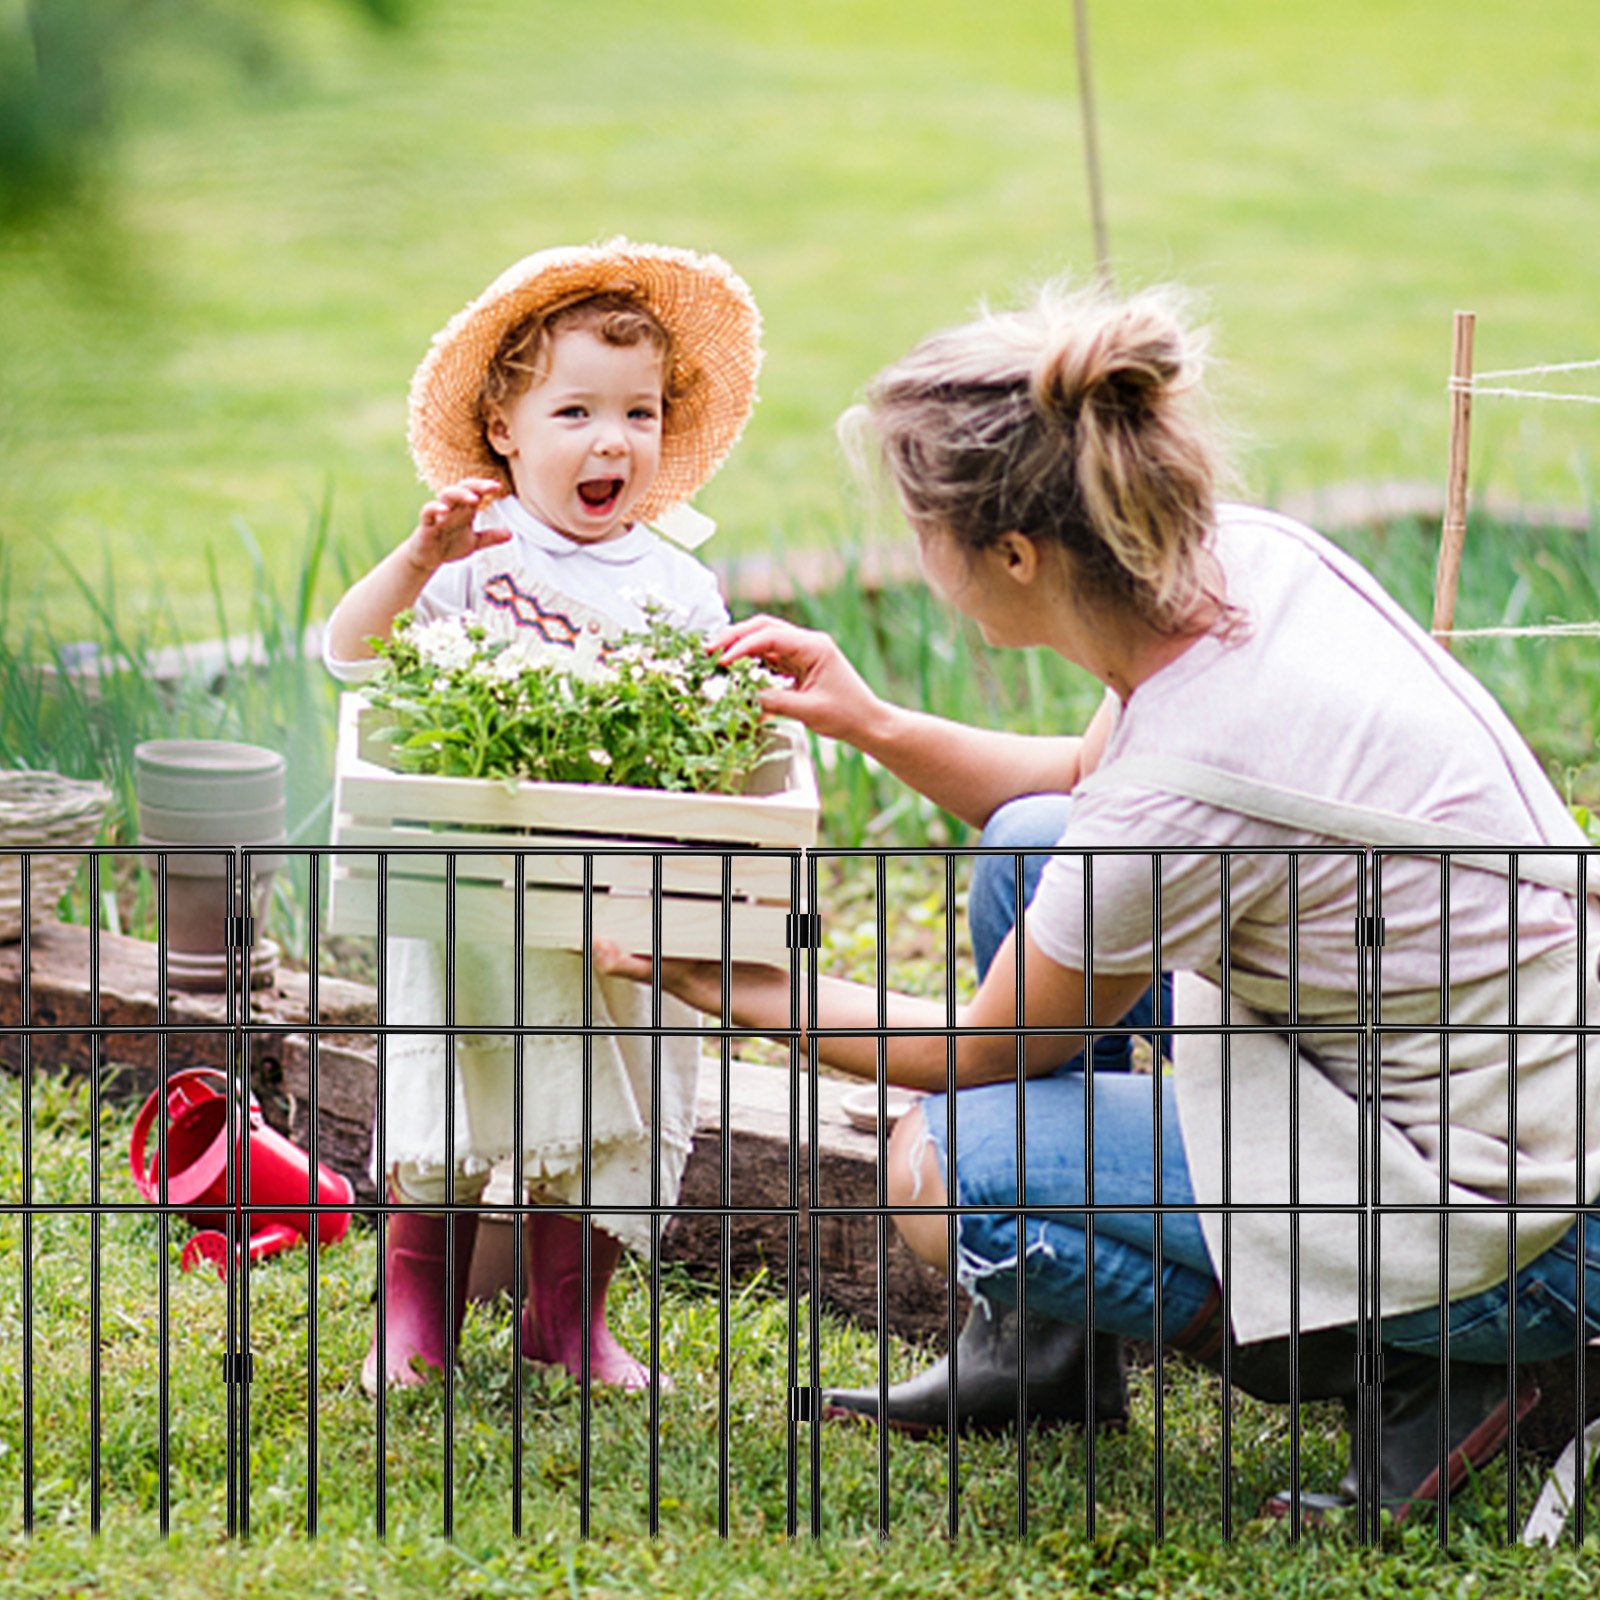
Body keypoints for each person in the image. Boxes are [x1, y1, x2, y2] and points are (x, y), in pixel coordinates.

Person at [597, 277, 1600, 1519]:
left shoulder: (1189, 779)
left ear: (1012, 554)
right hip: (1507, 1084)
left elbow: (982, 1049)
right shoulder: (1238, 561)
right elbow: (1081, 791)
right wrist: (871, 721)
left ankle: (1414, 1358)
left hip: (1530, 1221)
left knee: (950, 1169)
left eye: (921, 526)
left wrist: (725, 984)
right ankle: (1045, 1363)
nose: (914, 553)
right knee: (1031, 844)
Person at [325, 238, 762, 1394]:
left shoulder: (675, 581)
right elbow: (349, 655)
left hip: (616, 896)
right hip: (471, 889)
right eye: (573, 410)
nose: (611, 439)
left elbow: (712, 722)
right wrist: (419, 559)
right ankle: (412, 1318)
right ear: (505, 428)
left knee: (618, 1085)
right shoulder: (476, 557)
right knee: (452, 1076)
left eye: (640, 412)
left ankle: (567, 1322)